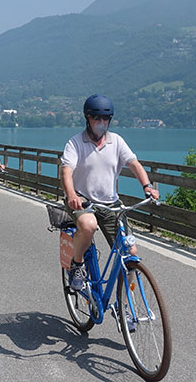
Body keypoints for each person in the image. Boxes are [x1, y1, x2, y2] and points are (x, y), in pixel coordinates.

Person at [60, 94, 159, 291]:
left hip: (110, 204)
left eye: (105, 119)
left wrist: (147, 186)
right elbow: (66, 171)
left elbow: (134, 164)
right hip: (83, 201)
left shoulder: (117, 141)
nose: (101, 123)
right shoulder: (75, 143)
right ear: (88, 118)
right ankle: (77, 265)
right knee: (88, 225)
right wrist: (72, 195)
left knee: (130, 251)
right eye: (97, 118)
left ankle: (127, 305)